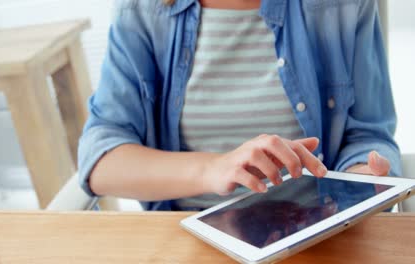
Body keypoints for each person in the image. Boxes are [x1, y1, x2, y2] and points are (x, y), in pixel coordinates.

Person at [78, 0, 400, 211]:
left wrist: (363, 176)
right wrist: (214, 168)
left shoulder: (343, 6)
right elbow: (101, 160)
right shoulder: (141, 12)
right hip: (183, 240)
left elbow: (367, 136)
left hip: (315, 239)